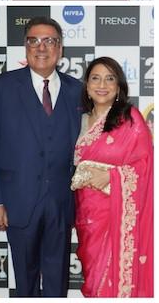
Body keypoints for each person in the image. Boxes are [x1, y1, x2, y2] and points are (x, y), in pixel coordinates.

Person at [0, 16, 82, 296]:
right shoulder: (3, 86)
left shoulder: (77, 90)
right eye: (33, 41)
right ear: (25, 47)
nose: (41, 47)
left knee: (57, 280)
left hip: (61, 203)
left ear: (60, 48)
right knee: (24, 283)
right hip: (18, 201)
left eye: (49, 41)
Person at [73, 57, 152, 297]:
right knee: (93, 277)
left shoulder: (130, 119)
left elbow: (146, 165)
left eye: (110, 79)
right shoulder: (77, 120)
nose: (102, 85)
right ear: (87, 86)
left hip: (116, 212)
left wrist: (112, 176)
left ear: (118, 87)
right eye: (95, 78)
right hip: (87, 214)